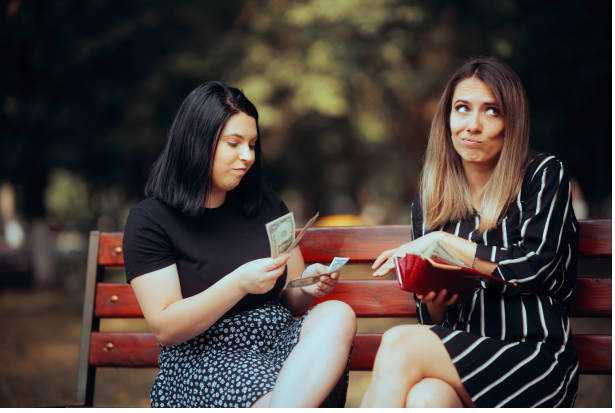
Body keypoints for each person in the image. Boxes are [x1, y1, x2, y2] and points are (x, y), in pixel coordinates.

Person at [123, 81, 356, 408]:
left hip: (278, 344)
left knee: (336, 313)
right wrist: (239, 283)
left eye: (252, 144)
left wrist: (307, 286)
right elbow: (167, 328)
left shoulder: (267, 206)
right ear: (196, 142)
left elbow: (291, 297)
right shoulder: (151, 220)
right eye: (234, 143)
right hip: (205, 357)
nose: (247, 156)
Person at [363, 57, 579, 408]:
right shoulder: (432, 197)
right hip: (461, 356)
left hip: (535, 356)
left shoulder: (542, 174)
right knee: (426, 397)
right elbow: (428, 318)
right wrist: (433, 303)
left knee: (400, 343)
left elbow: (536, 266)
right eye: (462, 109)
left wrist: (444, 243)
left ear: (512, 122)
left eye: (491, 111)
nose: (472, 125)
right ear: (447, 118)